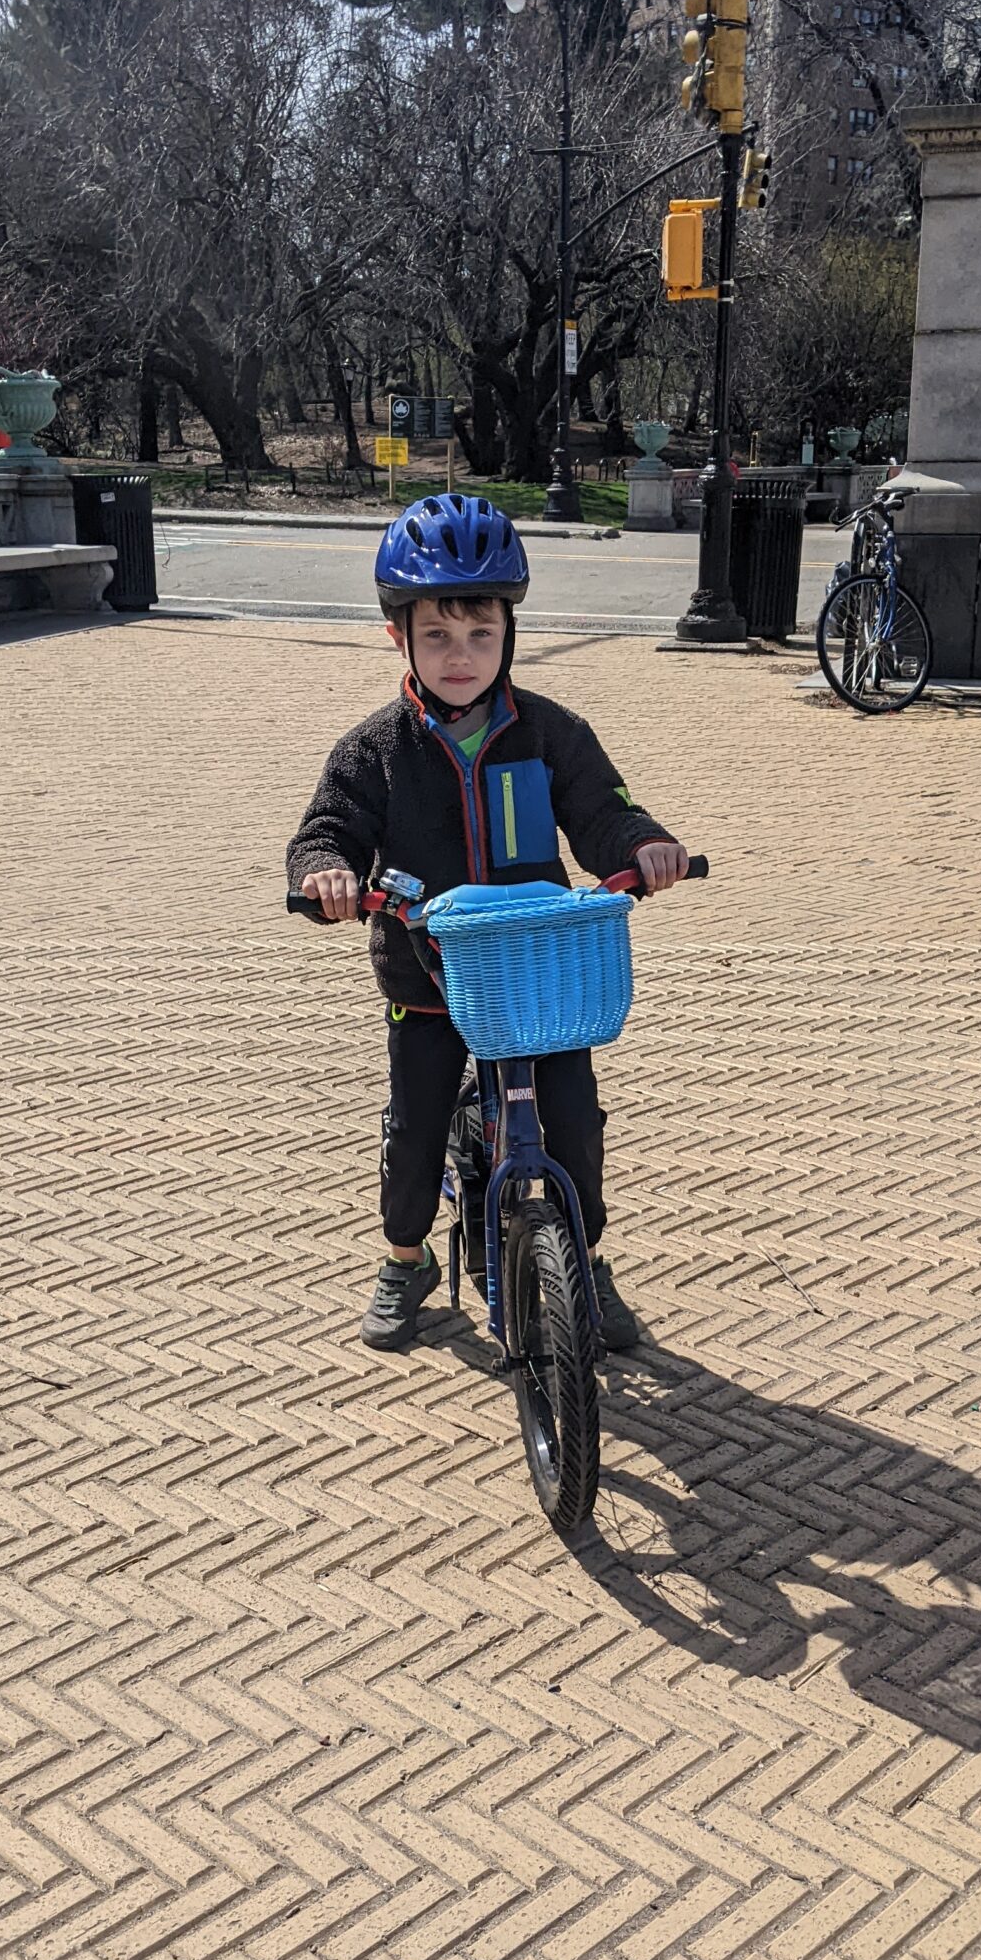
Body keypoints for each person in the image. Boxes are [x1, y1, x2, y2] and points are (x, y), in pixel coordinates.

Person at [286, 492, 688, 1352]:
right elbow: (331, 827)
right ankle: (405, 1259)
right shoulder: (375, 750)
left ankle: (582, 1257)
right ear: (399, 635)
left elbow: (604, 811)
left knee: (575, 1123)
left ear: (510, 630)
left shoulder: (549, 733)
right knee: (416, 1128)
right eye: (437, 635)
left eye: (480, 634)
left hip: (538, 979)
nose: (460, 655)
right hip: (426, 979)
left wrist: (643, 842)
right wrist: (322, 871)